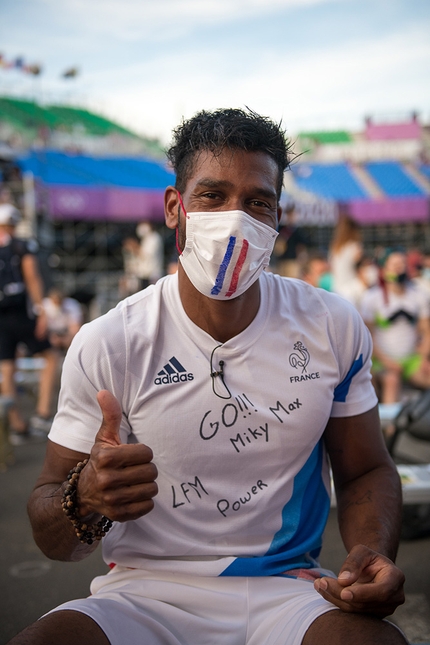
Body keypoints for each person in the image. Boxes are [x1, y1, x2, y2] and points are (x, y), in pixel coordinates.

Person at [9, 109, 406, 645]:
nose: (235, 219)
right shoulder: (111, 342)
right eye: (212, 196)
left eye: (257, 202)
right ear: (175, 208)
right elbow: (53, 535)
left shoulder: (331, 327)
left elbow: (364, 471)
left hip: (287, 590)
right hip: (142, 593)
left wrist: (372, 556)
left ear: (276, 220)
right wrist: (83, 498)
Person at [0, 203, 58, 441]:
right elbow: (32, 277)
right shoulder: (21, 246)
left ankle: (16, 423)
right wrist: (41, 310)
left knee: (6, 369)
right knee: (50, 357)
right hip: (21, 314)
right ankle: (42, 414)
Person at [360, 249, 430, 404]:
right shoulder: (372, 297)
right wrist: (387, 362)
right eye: (395, 265)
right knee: (392, 380)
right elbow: (367, 336)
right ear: (384, 270)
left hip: (411, 359)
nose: (400, 268)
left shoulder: (418, 294)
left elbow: (426, 331)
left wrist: (423, 355)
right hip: (382, 360)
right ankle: (390, 427)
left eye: (403, 264)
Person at [329, 214, 363, 300]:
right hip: (351, 287)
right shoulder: (355, 246)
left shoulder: (334, 247)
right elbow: (361, 266)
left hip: (336, 287)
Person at [135, 220, 164, 289]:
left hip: (152, 274)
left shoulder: (154, 238)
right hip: (144, 274)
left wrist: (134, 247)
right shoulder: (146, 238)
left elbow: (146, 255)